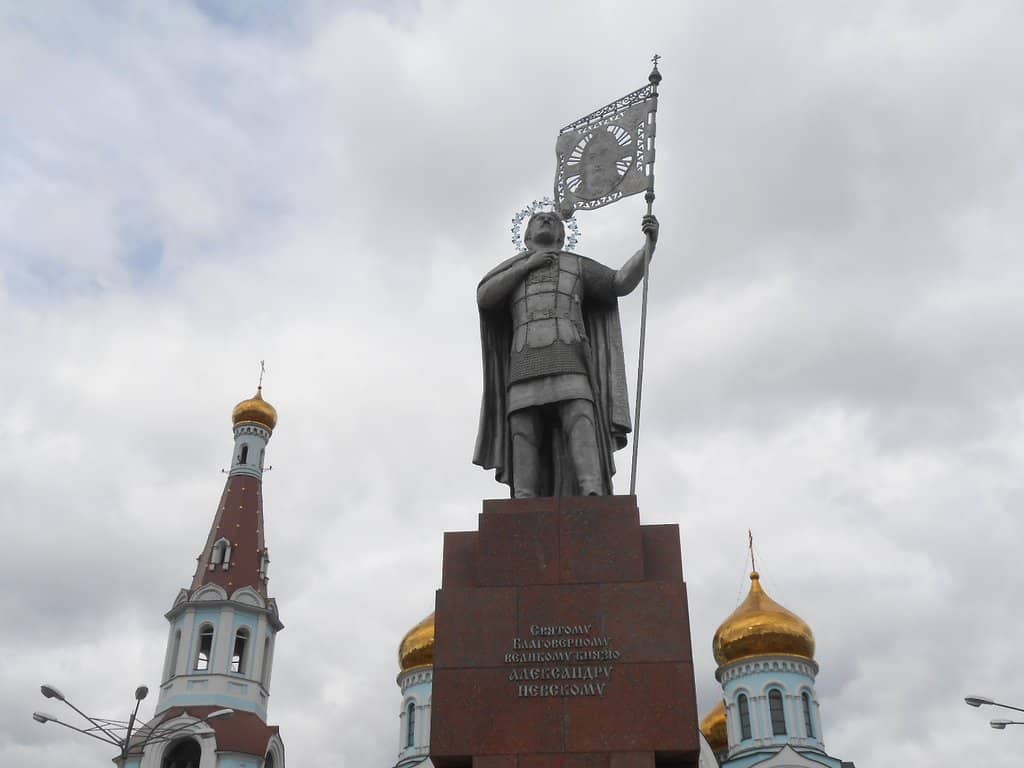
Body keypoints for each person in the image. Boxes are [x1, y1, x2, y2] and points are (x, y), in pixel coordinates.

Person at [473, 211, 658, 497]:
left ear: (561, 235)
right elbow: (485, 296)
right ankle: (524, 496)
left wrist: (648, 247)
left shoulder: (577, 265)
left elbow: (619, 283)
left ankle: (592, 490)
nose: (545, 220)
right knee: (523, 430)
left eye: (552, 219)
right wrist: (526, 266)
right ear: (526, 235)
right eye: (539, 219)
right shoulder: (512, 270)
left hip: (568, 355)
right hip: (524, 358)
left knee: (580, 420)